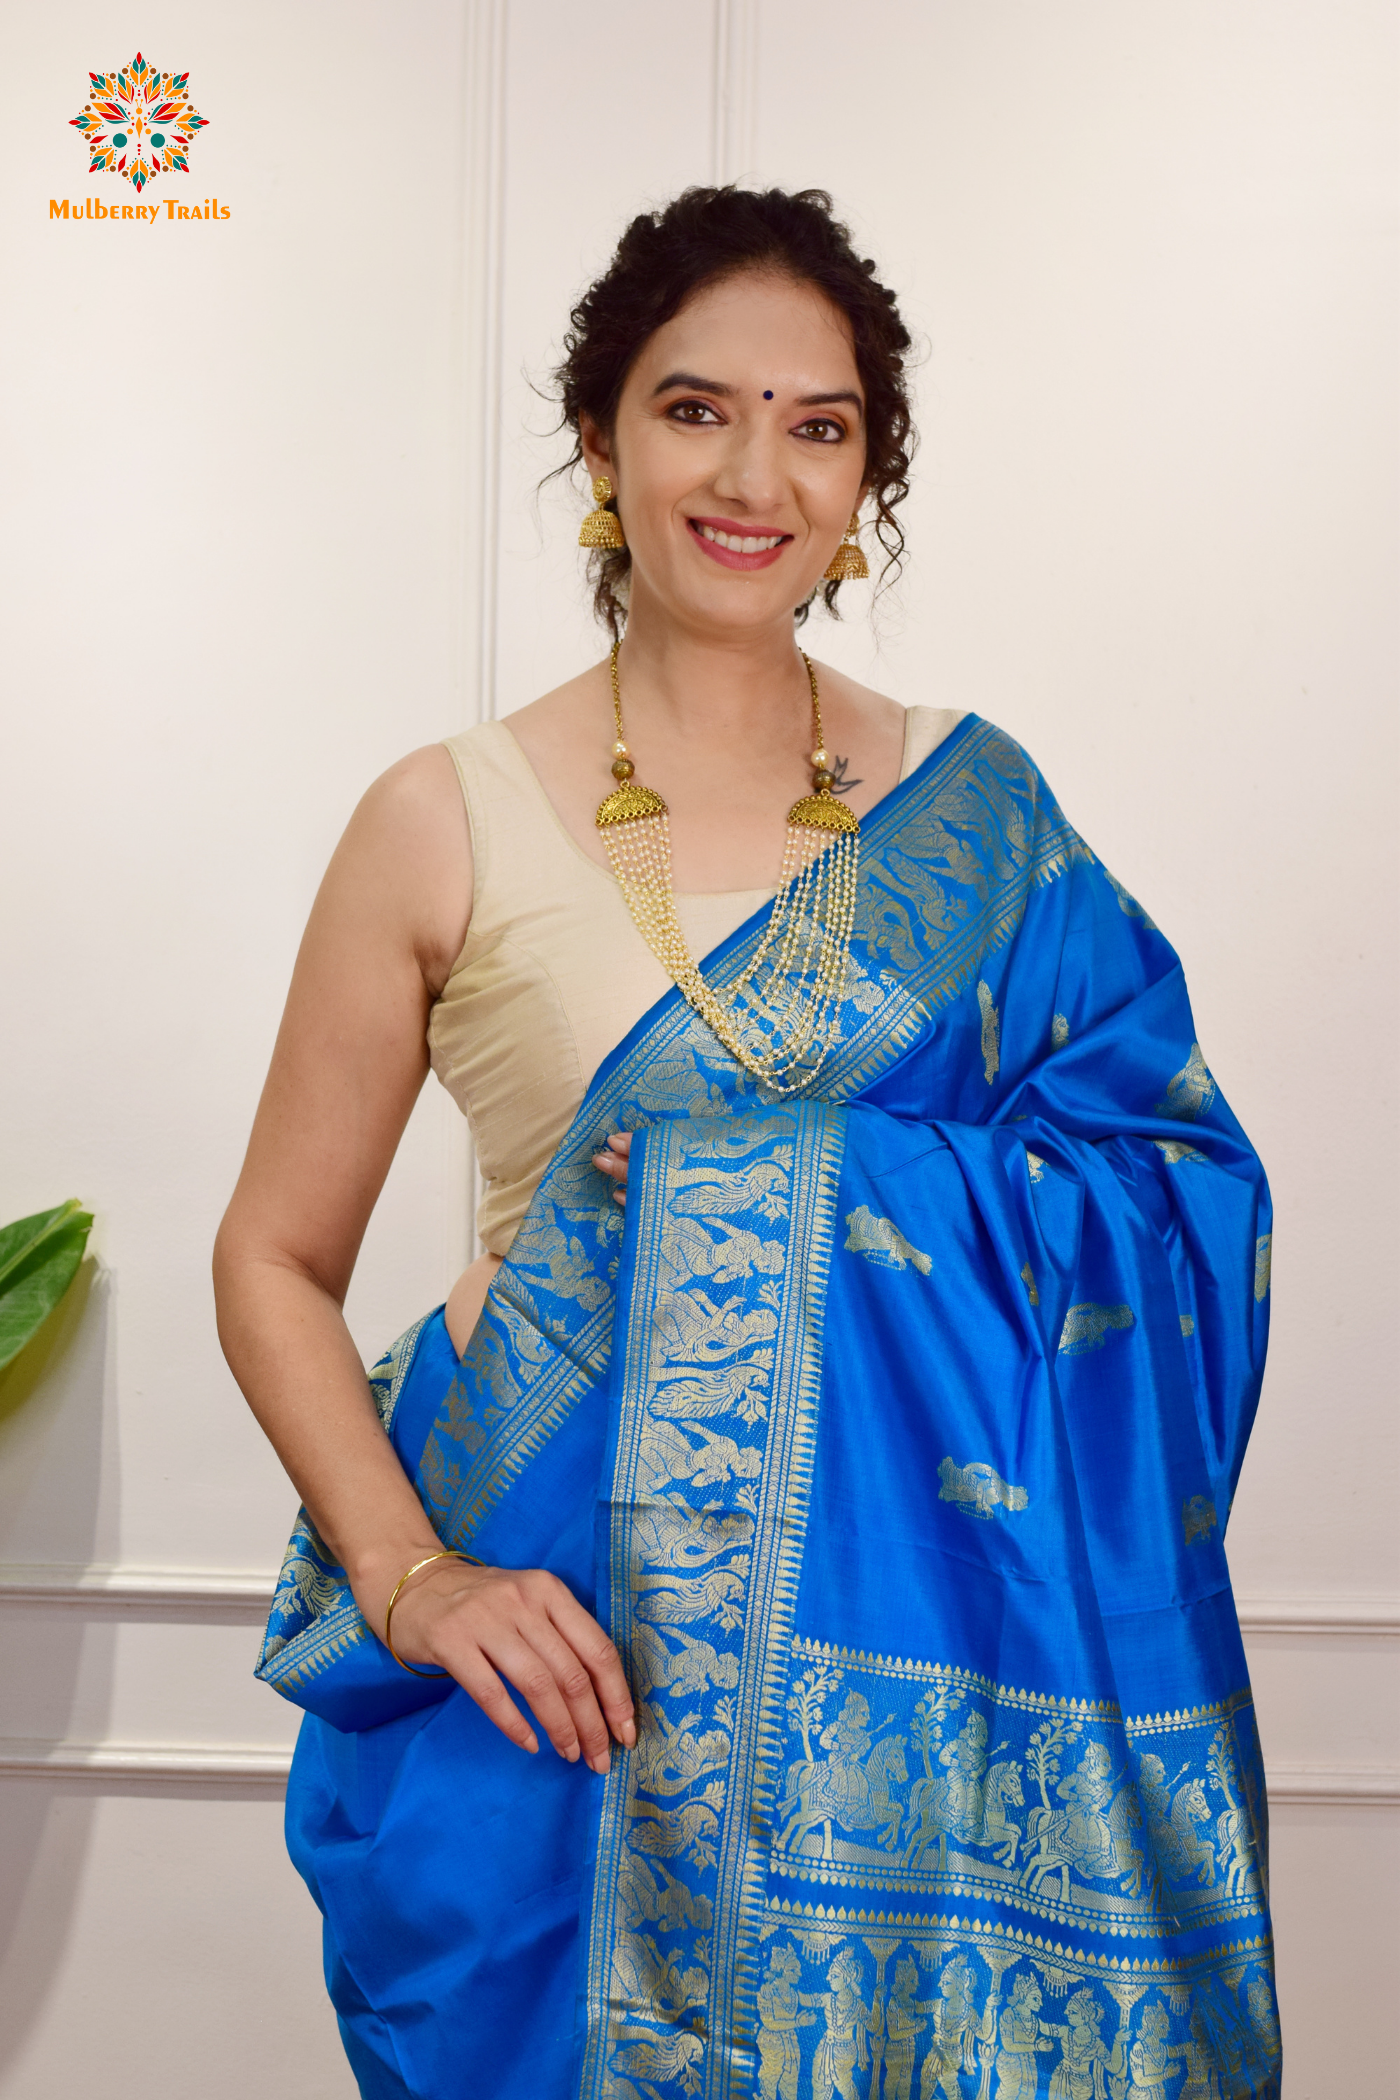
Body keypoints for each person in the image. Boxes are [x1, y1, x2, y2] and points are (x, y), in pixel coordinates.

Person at [213, 187, 1280, 2100]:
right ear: (602, 436)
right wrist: (409, 1579)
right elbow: (269, 1258)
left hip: (920, 1693)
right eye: (697, 408)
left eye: (821, 424)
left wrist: (786, 1188)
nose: (755, 474)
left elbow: (1175, 1193)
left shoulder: (983, 814)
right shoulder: (438, 815)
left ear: (871, 476)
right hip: (551, 1653)